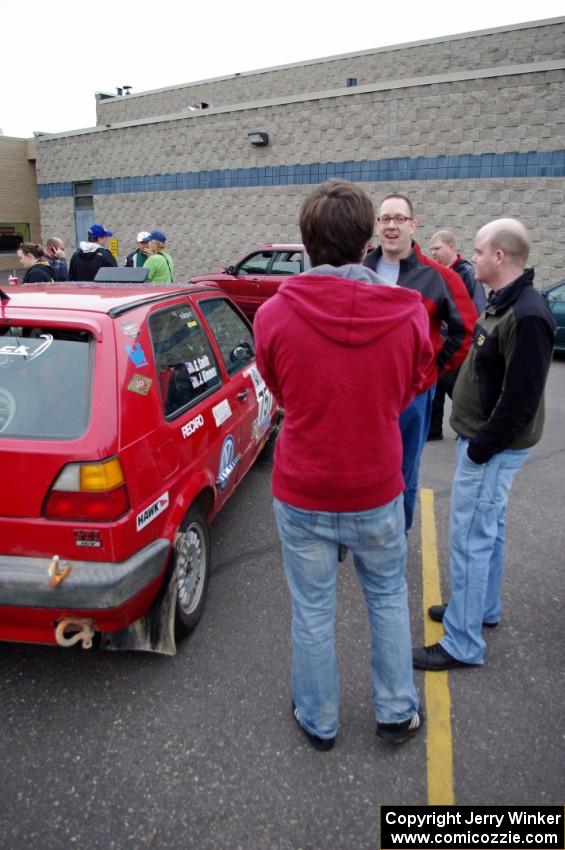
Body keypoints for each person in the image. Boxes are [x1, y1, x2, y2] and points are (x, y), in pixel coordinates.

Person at [254, 180, 434, 749]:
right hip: (377, 485)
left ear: (307, 243)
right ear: (365, 242)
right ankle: (395, 710)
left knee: (311, 608)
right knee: (387, 597)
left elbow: (278, 387)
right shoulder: (407, 314)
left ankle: (319, 718)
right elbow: (414, 383)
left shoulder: (274, 314)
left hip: (303, 487)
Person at [413, 219, 556, 671]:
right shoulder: (504, 303)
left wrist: (479, 449)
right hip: (484, 441)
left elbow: (522, 399)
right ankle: (478, 609)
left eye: (476, 251)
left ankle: (462, 642)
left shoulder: (528, 315)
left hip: (490, 446)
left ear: (499, 257)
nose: (470, 258)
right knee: (488, 530)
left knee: (472, 538)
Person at [364, 195, 477, 531]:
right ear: (377, 225)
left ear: (413, 225)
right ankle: (361, 534)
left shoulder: (440, 278)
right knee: (361, 466)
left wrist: (433, 371)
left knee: (403, 472)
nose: (392, 225)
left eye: (399, 218)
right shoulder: (359, 272)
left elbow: (466, 329)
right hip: (363, 393)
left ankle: (397, 534)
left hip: (411, 397)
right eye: (385, 219)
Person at [427, 229, 485, 440]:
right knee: (437, 389)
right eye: (431, 249)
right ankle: (433, 430)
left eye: (437, 248)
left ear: (451, 247)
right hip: (438, 343)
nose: (433, 253)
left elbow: (478, 309)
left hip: (458, 344)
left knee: (458, 390)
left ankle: (471, 429)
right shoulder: (436, 273)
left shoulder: (467, 274)